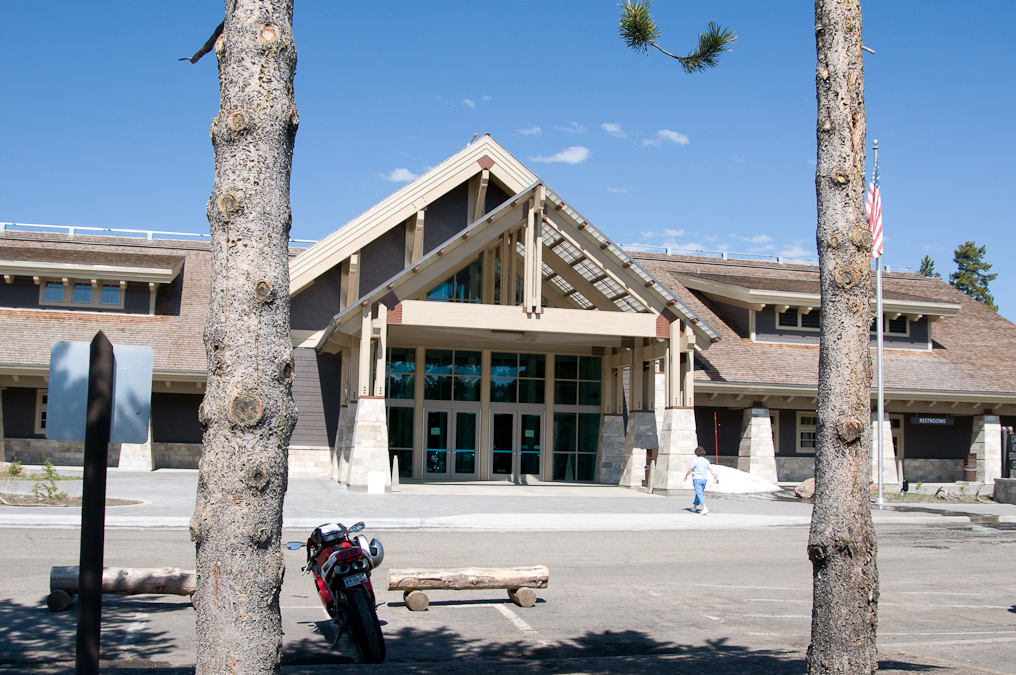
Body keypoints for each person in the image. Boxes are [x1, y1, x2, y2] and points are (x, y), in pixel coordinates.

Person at [683, 446, 720, 514]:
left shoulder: (695, 460)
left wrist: (686, 475)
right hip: (704, 479)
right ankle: (694, 507)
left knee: (699, 493)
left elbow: (690, 469)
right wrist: (715, 477)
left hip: (697, 478)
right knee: (699, 493)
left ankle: (705, 507)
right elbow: (710, 469)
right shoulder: (706, 461)